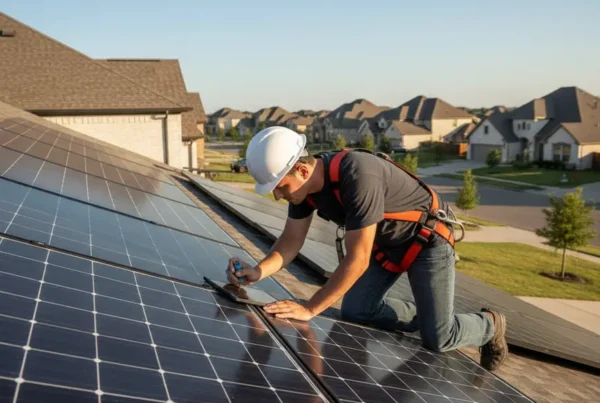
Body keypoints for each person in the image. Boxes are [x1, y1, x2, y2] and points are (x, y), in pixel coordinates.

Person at [226, 126, 507, 371]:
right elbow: (290, 242)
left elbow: (358, 260)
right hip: (386, 245)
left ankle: (491, 324)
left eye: (280, 186)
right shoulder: (303, 189)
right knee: (357, 311)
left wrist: (310, 308)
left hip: (428, 241)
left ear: (301, 169)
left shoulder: (357, 174)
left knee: (439, 338)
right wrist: (258, 271)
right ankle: (430, 312)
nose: (277, 195)